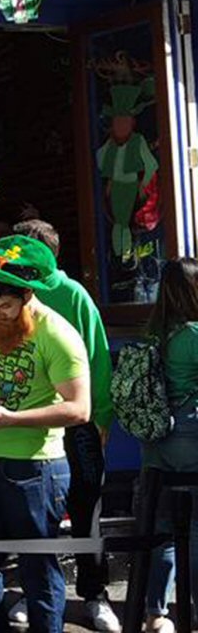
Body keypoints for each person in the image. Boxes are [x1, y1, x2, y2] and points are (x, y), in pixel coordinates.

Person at [0, 236, 91, 632]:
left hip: (37, 469)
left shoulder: (58, 335)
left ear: (28, 297)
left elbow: (79, 408)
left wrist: (11, 419)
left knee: (39, 572)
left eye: (6, 307)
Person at [13, 218, 119, 632]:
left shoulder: (72, 294)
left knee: (85, 506)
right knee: (35, 512)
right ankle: (30, 590)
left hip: (77, 421)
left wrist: (102, 416)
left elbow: (98, 355)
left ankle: (95, 594)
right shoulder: (13, 292)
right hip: (32, 422)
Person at [140, 258, 198, 633]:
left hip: (155, 444)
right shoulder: (194, 335)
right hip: (191, 440)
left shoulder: (153, 331)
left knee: (161, 532)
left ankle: (155, 614)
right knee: (195, 529)